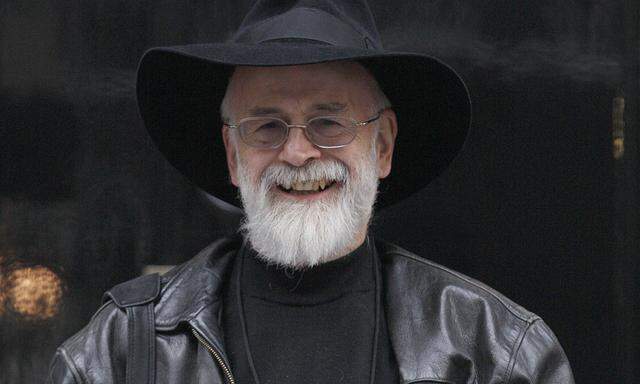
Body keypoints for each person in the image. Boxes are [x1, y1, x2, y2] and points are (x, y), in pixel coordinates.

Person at [47, 1, 575, 383]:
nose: (298, 153)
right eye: (267, 127)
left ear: (383, 144)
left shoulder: (496, 351)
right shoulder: (117, 352)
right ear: (233, 155)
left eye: (328, 122)